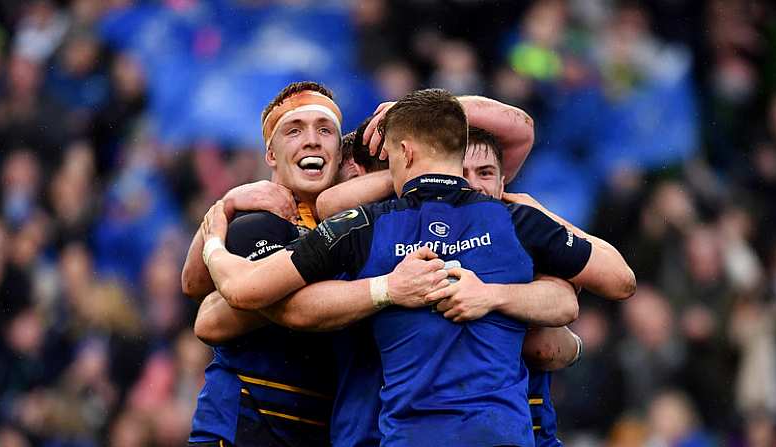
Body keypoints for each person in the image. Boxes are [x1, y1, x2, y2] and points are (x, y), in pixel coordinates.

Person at [200, 88, 635, 446]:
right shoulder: (515, 224)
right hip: (482, 434)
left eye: (487, 171)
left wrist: (213, 239)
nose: (477, 180)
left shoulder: (369, 229)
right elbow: (608, 287)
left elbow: (565, 320)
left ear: (402, 153)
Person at [182, 81, 449, 447]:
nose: (311, 140)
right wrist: (225, 206)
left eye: (324, 130)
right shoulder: (258, 218)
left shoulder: (357, 228)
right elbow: (210, 312)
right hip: (246, 425)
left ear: (341, 157)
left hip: (322, 430)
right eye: (294, 130)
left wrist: (423, 117)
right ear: (271, 156)